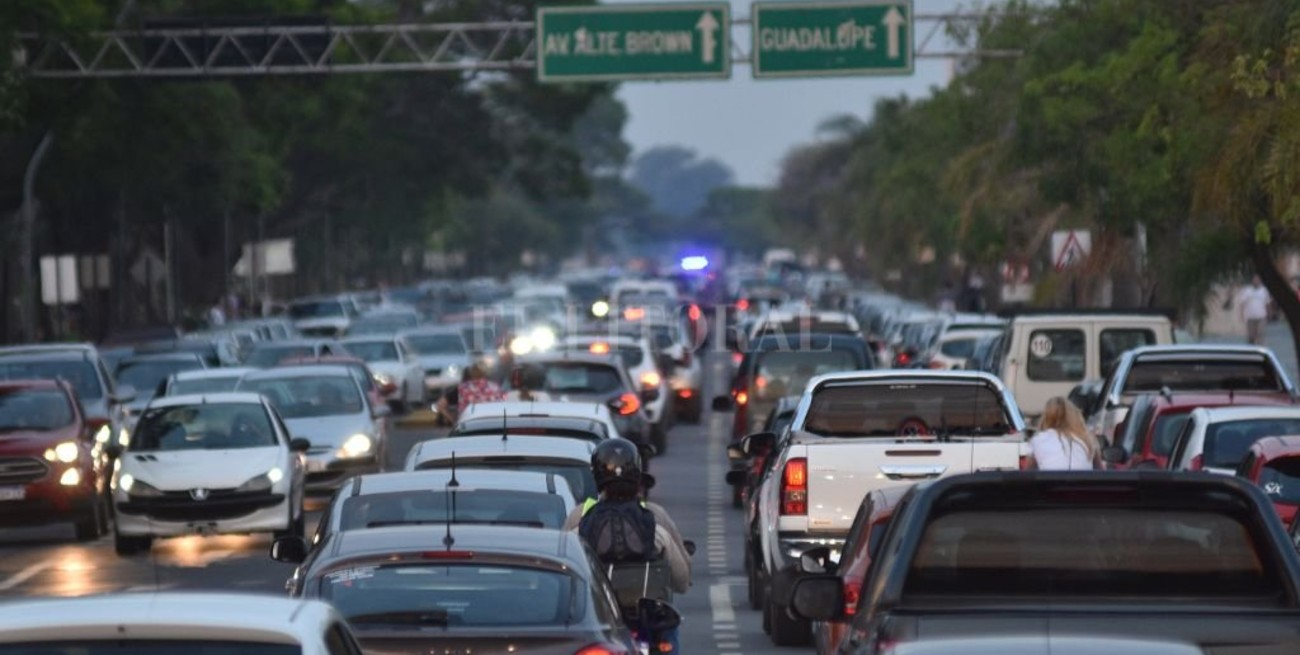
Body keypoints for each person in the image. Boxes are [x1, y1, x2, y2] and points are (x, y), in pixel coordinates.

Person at [564, 440, 690, 653]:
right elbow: (682, 581)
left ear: (596, 475)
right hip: (646, 620)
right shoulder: (656, 519)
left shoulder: (579, 518)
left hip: (599, 621)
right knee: (669, 629)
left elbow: (565, 573)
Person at [1028, 397, 1098, 470]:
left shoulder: (1038, 440)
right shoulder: (1088, 439)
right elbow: (1100, 472)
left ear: (1046, 417)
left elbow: (1028, 474)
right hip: (1084, 481)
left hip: (1050, 480)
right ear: (1074, 416)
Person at [436, 363, 505, 421]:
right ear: (484, 374)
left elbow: (440, 405)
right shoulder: (495, 387)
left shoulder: (462, 388)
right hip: (494, 425)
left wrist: (454, 421)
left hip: (468, 426)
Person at [1238, 275, 1271, 345]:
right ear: (1252, 281)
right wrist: (1241, 314)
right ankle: (1251, 348)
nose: (1256, 281)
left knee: (1260, 333)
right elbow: (1242, 303)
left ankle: (1260, 349)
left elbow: (1267, 303)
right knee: (1251, 336)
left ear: (1260, 281)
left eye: (1257, 280)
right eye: (1254, 280)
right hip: (1250, 317)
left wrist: (1268, 314)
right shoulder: (1247, 291)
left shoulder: (1264, 291)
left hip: (1261, 316)